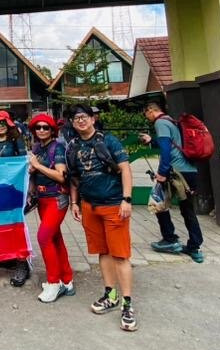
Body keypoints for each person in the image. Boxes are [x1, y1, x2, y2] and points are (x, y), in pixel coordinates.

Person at [67, 104, 136, 332]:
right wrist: (74, 202)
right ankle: (110, 293)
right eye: (76, 118)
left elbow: (125, 169)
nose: (80, 121)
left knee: (120, 255)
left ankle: (127, 303)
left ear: (93, 119)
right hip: (89, 206)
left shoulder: (109, 141)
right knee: (103, 252)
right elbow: (75, 178)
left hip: (114, 205)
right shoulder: (73, 147)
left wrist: (127, 199)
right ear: (72, 122)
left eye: (84, 117)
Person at [139, 102, 204, 263]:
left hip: (175, 173)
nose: (146, 118)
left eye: (145, 114)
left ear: (151, 111)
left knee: (157, 203)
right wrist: (151, 141)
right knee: (188, 209)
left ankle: (169, 239)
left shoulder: (160, 123)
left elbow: (166, 151)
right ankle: (195, 247)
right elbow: (171, 144)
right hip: (190, 171)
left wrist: (162, 173)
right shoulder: (173, 122)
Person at [27, 112, 75, 303]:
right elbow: (36, 171)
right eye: (37, 127)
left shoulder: (58, 147)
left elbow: (61, 176)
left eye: (45, 127)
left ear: (52, 130)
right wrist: (33, 171)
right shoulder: (38, 147)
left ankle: (54, 282)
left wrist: (37, 166)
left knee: (44, 237)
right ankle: (67, 279)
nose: (41, 130)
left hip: (56, 199)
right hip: (43, 199)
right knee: (55, 238)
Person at [0, 110, 29, 287]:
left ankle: (22, 264)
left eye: (2, 123)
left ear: (9, 124)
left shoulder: (16, 140)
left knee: (16, 225)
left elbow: (23, 161)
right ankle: (8, 257)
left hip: (13, 189)